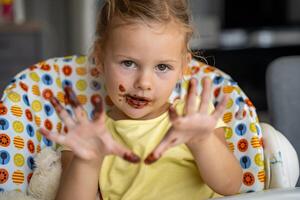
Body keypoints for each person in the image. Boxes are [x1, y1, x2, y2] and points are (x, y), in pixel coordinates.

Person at [40, 0, 243, 199]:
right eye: (128, 63)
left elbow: (231, 186)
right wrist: (87, 161)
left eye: (162, 67)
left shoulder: (193, 117)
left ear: (183, 66)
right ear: (100, 58)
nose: (144, 83)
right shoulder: (90, 135)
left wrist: (202, 142)